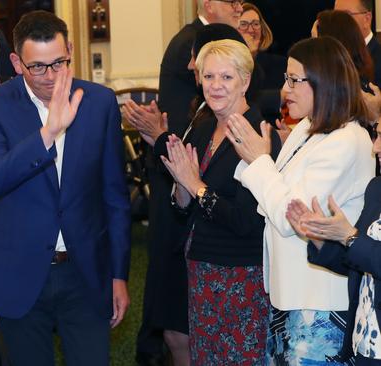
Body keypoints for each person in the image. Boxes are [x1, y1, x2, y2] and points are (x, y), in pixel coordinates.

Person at [0, 10, 131, 366]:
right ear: (16, 62)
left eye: (59, 63)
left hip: (85, 271)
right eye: (37, 67)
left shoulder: (99, 102)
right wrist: (48, 134)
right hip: (19, 273)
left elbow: (114, 197)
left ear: (70, 50)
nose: (51, 76)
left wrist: (119, 274)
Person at [227, 36, 375, 364]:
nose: (286, 89)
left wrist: (259, 161)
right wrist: (261, 164)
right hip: (293, 290)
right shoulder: (308, 127)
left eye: (295, 80)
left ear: (325, 82)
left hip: (320, 298)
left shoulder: (347, 140)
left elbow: (292, 217)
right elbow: (271, 200)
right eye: (286, 79)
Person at [156, 39, 280, 364]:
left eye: (226, 77)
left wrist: (194, 184)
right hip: (202, 271)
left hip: (241, 277)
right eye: (208, 77)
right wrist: (182, 185)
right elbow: (184, 209)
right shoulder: (203, 127)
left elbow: (245, 220)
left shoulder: (258, 134)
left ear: (245, 82)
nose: (215, 86)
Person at [285, 121, 381, 364]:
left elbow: (359, 245)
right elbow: (357, 261)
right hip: (365, 344)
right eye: (376, 135)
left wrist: (348, 235)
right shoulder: (377, 189)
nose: (375, 146)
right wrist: (319, 237)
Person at [238, 3, 285, 91]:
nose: (251, 30)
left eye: (255, 24)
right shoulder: (226, 65)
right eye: (243, 24)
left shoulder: (280, 64)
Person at [334, 0, 381, 87]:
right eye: (335, 16)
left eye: (345, 16)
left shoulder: (378, 59)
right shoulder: (334, 56)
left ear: (366, 19)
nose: (338, 23)